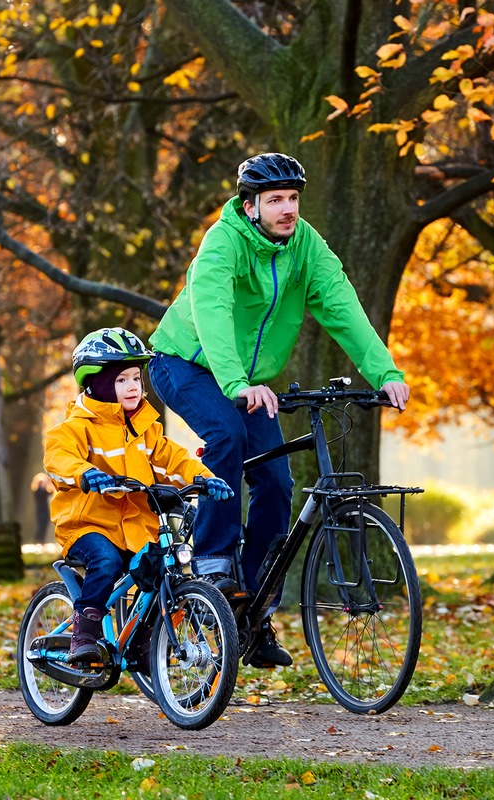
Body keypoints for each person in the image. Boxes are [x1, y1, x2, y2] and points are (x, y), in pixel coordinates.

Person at [149, 152, 410, 668]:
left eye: (293, 199)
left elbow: (342, 306)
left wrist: (386, 373)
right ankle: (213, 559)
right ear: (250, 207)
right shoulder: (222, 243)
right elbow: (212, 313)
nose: (287, 209)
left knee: (277, 483)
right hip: (186, 363)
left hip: (249, 382)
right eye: (275, 201)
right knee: (226, 433)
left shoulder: (306, 245)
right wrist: (236, 383)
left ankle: (252, 605)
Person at [44, 327, 235, 664]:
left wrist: (206, 478)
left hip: (135, 524)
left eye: (136, 378)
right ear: (100, 384)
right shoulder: (77, 427)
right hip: (88, 524)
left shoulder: (147, 428)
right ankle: (84, 634)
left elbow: (174, 459)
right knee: (106, 562)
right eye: (122, 380)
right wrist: (85, 474)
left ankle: (146, 638)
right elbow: (58, 459)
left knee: (161, 565)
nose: (133, 386)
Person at [30, 472, 55, 544]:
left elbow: (51, 492)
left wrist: (50, 483)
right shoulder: (37, 490)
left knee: (44, 525)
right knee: (41, 525)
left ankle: (42, 540)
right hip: (40, 510)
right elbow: (47, 492)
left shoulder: (43, 490)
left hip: (45, 509)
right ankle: (37, 540)